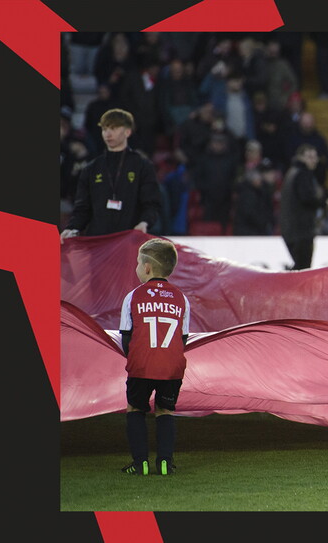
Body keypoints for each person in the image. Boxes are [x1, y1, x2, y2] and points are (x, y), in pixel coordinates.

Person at [119, 238, 191, 475]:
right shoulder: (182, 298)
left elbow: (126, 338)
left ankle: (140, 464)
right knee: (165, 411)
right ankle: (165, 463)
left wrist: (136, 358)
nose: (137, 268)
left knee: (135, 409)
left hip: (142, 365)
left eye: (138, 263)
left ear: (147, 267)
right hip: (172, 367)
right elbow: (183, 339)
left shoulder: (133, 296)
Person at [61, 108, 162, 243]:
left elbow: (151, 203)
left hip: (129, 241)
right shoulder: (91, 168)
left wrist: (145, 222)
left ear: (127, 131)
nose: (108, 134)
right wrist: (72, 227)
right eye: (105, 129)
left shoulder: (142, 166)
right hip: (97, 243)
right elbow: (82, 207)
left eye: (113, 128)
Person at [279, 144, 328, 270]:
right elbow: (307, 198)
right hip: (301, 231)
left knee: (298, 269)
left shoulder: (291, 173)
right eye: (309, 156)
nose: (313, 160)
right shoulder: (303, 174)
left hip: (289, 230)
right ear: (300, 157)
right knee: (303, 271)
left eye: (314, 157)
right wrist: (324, 202)